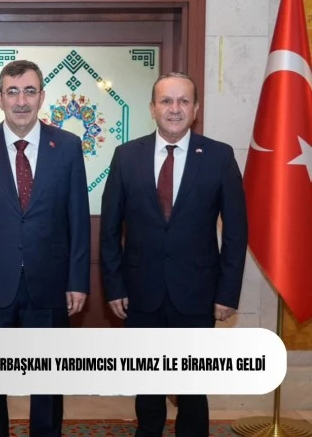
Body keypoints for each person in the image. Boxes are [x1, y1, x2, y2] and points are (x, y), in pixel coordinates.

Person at [100, 72, 248, 437]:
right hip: (141, 293)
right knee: (147, 385)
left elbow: (236, 231)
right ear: (152, 108)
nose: (175, 108)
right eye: (166, 101)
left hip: (197, 293)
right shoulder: (126, 156)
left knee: (193, 388)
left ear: (196, 109)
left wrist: (227, 293)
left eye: (183, 101)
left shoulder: (219, 156)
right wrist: (114, 286)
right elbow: (109, 230)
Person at [0, 60, 91, 437]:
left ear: (42, 97)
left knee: (47, 380)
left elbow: (78, 219)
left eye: (29, 91)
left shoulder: (67, 146)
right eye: (12, 92)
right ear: (0, 98)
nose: (21, 101)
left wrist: (77, 280)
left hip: (50, 282)